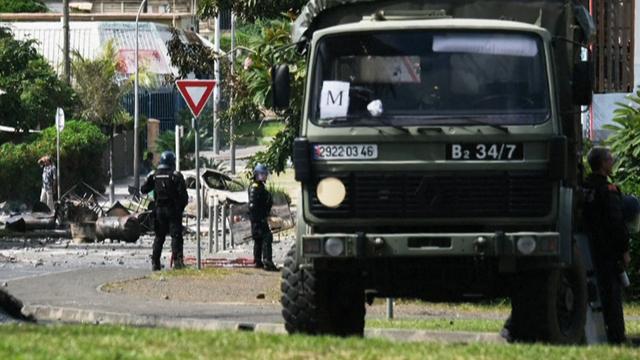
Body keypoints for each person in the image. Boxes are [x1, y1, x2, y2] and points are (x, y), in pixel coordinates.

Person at [584, 146, 631, 344]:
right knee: (612, 297)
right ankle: (616, 336)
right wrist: (624, 250)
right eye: (610, 160)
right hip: (608, 252)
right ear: (603, 164)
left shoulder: (583, 187)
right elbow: (616, 223)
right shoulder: (609, 190)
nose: (612, 163)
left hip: (587, 249)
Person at [141, 151, 188, 271]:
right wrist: (179, 209)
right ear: (172, 162)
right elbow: (184, 196)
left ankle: (155, 263)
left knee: (159, 237)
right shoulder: (175, 176)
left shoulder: (154, 175)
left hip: (159, 211)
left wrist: (149, 178)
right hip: (172, 211)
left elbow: (144, 189)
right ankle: (178, 262)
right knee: (176, 237)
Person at [248, 163, 278, 271]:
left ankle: (258, 261)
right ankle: (267, 262)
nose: (264, 176)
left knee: (259, 240)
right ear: (256, 174)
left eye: (265, 174)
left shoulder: (259, 186)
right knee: (266, 238)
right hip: (258, 218)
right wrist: (260, 217)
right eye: (262, 174)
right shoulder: (255, 187)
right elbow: (253, 205)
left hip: (258, 218)